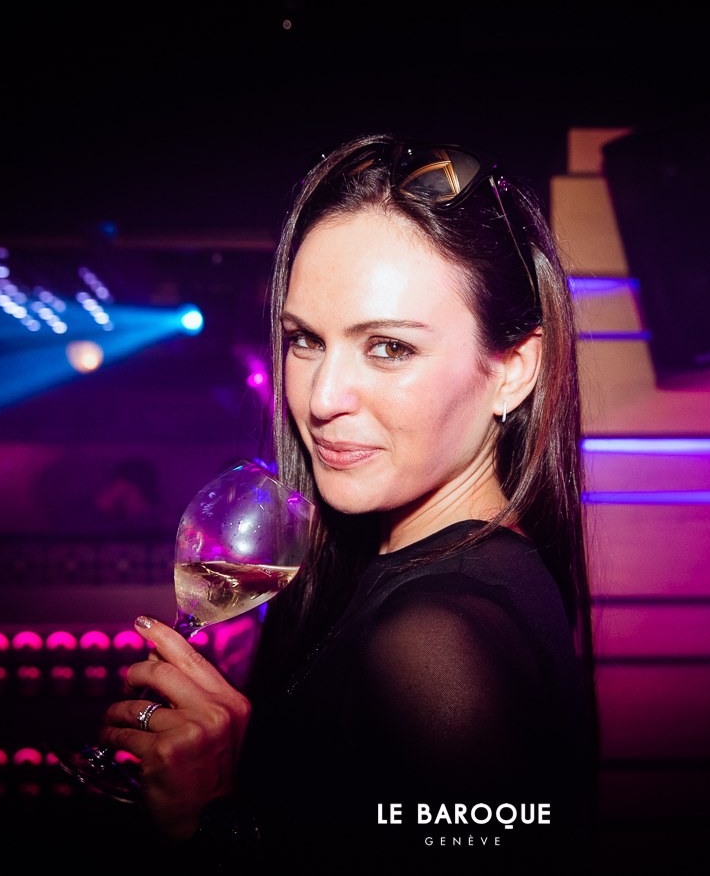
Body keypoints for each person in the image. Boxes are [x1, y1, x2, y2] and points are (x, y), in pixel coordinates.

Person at [94, 134, 599, 872]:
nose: (323, 397)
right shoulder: (442, 577)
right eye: (305, 339)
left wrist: (212, 823)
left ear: (514, 370)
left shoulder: (434, 639)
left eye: (388, 347)